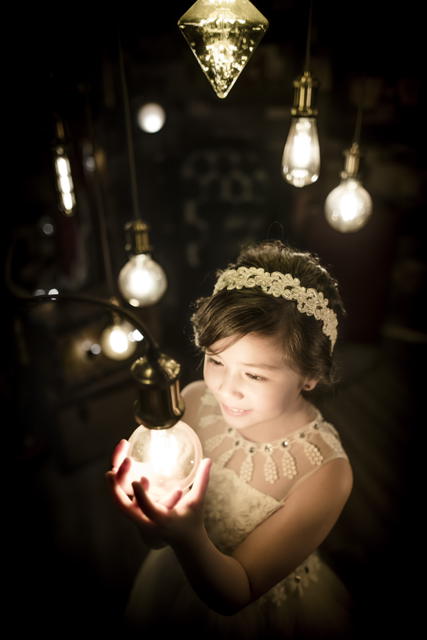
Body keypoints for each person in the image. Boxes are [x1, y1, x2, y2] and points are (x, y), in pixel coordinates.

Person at [106, 239, 354, 639]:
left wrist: (187, 536)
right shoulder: (192, 400)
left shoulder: (326, 472)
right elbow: (155, 542)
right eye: (216, 360)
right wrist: (148, 516)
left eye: (254, 375)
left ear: (311, 375)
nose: (225, 388)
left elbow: (237, 593)